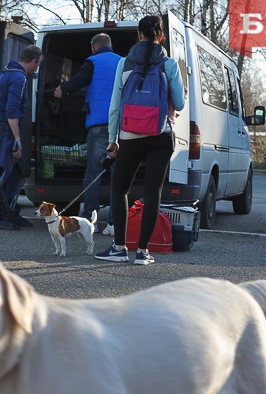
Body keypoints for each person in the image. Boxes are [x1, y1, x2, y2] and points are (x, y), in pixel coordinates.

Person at [95, 15, 185, 265]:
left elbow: (115, 106)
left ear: (139, 34)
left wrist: (113, 139)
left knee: (120, 189)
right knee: (152, 191)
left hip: (130, 136)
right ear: (161, 36)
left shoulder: (124, 63)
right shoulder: (169, 64)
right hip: (160, 135)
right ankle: (142, 252)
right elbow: (179, 103)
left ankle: (119, 247)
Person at [54, 33, 120, 236]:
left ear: (93, 47)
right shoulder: (123, 62)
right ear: (110, 46)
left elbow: (77, 82)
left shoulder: (92, 62)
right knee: (118, 177)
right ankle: (114, 224)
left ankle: (92, 222)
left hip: (99, 126)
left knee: (93, 174)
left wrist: (61, 89)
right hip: (120, 127)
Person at [0, 45, 42, 230]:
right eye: (37, 64)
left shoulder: (8, 72)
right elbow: (11, 109)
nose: (36, 68)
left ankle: (10, 213)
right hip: (3, 127)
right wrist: (17, 139)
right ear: (33, 61)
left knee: (14, 173)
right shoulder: (19, 77)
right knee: (3, 173)